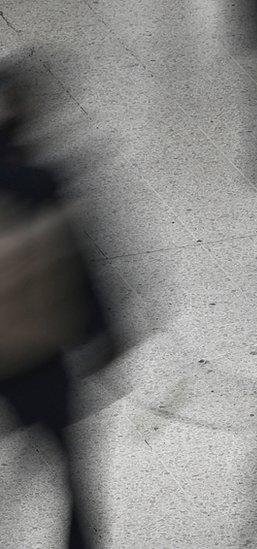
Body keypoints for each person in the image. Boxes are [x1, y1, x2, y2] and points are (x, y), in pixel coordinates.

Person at [0, 68, 113, 549]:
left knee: (46, 449)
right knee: (70, 460)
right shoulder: (41, 182)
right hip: (42, 349)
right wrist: (104, 331)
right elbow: (80, 263)